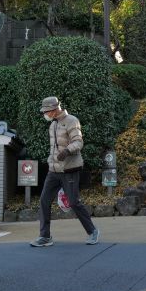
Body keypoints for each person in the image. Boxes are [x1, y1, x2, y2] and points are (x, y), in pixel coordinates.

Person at [30, 96, 101, 248]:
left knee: (74, 202)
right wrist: (51, 161)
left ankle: (93, 231)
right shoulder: (52, 125)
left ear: (54, 110)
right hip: (54, 170)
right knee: (44, 200)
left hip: (69, 169)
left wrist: (68, 150)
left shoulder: (71, 120)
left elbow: (78, 141)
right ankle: (45, 236)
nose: (45, 114)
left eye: (47, 111)